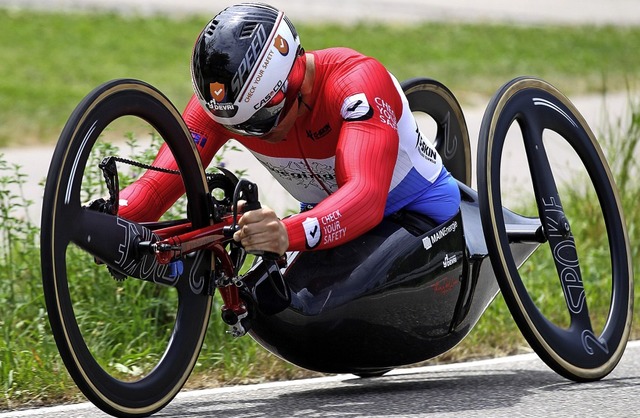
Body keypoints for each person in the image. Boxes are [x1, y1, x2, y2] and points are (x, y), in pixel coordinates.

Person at [118, 2, 461, 257]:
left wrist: (285, 233)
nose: (255, 134)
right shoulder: (224, 107)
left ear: (293, 83)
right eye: (237, 126)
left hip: (417, 214)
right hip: (329, 222)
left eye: (261, 120)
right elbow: (155, 188)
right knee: (272, 305)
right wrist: (89, 216)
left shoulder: (356, 84)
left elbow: (367, 197)